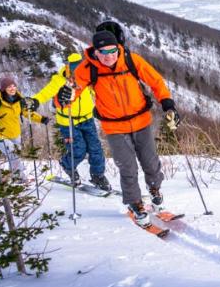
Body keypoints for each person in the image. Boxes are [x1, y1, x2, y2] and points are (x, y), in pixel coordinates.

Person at [58, 29, 180, 227]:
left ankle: (155, 190)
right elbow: (69, 95)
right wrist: (63, 97)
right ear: (95, 52)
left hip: (141, 121)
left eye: (112, 50)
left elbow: (155, 80)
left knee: (151, 163)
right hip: (114, 127)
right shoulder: (87, 69)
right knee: (127, 167)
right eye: (103, 52)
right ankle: (135, 204)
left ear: (119, 47)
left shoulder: (132, 60)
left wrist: (167, 103)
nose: (109, 56)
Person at [29, 53, 109, 191]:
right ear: (68, 67)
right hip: (68, 122)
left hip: (87, 119)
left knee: (96, 149)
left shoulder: (86, 77)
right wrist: (35, 100)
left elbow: (98, 91)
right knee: (79, 150)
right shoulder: (59, 80)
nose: (77, 72)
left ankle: (98, 175)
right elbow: (46, 92)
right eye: (74, 69)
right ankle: (67, 165)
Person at [0, 76, 49, 181]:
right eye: (9, 86)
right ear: (4, 89)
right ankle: (20, 178)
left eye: (14, 86)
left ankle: (15, 177)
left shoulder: (19, 100)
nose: (12, 88)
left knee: (15, 156)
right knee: (14, 154)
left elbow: (27, 113)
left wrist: (41, 119)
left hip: (15, 133)